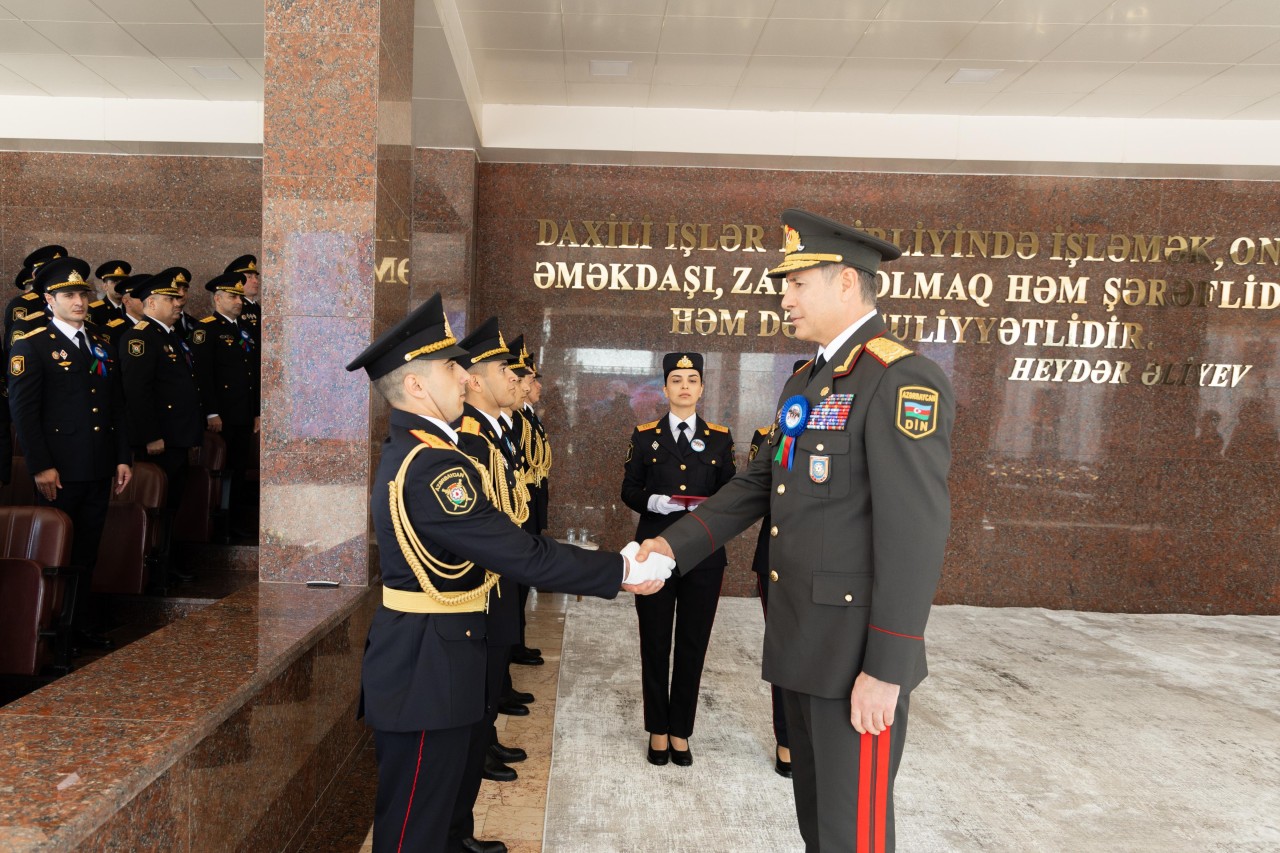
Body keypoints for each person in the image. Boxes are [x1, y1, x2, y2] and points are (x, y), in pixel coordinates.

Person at [638, 209, 954, 852]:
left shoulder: (899, 379)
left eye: (797, 282)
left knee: (853, 833)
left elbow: (915, 532)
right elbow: (763, 483)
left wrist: (886, 669)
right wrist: (672, 546)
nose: (783, 296)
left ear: (845, 282)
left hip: (854, 658)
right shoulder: (806, 381)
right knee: (817, 822)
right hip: (803, 643)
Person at [344, 294, 671, 853]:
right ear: (417, 386)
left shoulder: (430, 453)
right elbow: (519, 553)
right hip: (426, 665)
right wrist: (619, 569)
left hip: (440, 654)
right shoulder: (431, 466)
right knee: (412, 829)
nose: (466, 376)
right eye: (452, 367)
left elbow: (514, 542)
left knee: (440, 806)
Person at [7, 256, 133, 650]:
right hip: (58, 470)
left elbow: (115, 406)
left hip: (96, 465)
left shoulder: (100, 342)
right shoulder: (32, 345)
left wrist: (122, 457)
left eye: (83, 293)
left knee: (85, 552)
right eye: (69, 295)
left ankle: (75, 627)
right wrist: (40, 466)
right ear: (49, 299)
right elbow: (24, 414)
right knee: (54, 553)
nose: (79, 301)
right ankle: (44, 631)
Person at [621, 351, 736, 767]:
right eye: (676, 379)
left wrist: (704, 508)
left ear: (702, 388)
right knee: (654, 641)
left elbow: (732, 498)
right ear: (665, 388)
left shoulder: (720, 438)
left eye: (692, 379)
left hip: (703, 555)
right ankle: (656, 727)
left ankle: (680, 730)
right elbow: (629, 490)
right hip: (653, 551)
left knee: (692, 643)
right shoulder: (644, 435)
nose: (684, 385)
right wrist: (654, 500)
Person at [118, 270, 204, 584]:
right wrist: (151, 435)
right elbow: (137, 393)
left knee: (173, 505)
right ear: (151, 303)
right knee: (161, 506)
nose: (178, 303)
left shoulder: (169, 336)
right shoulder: (140, 338)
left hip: (177, 437)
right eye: (170, 299)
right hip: (159, 442)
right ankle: (155, 568)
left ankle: (166, 563)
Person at [747, 357, 810, 780]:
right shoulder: (772, 436)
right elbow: (759, 490)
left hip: (828, 567)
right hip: (777, 559)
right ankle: (786, 739)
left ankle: (816, 739)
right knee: (785, 651)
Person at [190, 270, 260, 538]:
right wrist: (211, 411)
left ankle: (236, 524)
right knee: (223, 471)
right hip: (221, 416)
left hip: (243, 414)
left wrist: (255, 412)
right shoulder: (206, 329)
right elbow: (203, 376)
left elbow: (251, 374)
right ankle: (219, 527)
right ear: (217, 299)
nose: (239, 301)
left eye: (240, 296)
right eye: (232, 296)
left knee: (239, 470)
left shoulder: (243, 329)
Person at [225, 254, 261, 342]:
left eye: (256, 277)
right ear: (238, 281)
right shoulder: (233, 307)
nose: (256, 281)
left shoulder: (256, 307)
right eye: (249, 277)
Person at [88, 260, 130, 326]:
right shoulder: (95, 310)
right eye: (114, 282)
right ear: (105, 286)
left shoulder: (131, 307)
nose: (119, 286)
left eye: (122, 282)